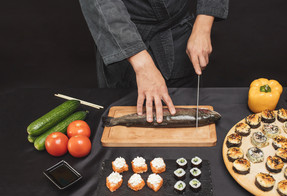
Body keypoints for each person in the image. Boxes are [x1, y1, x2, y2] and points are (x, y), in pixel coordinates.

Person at [79, 0, 229, 123]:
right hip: (122, 39)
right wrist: (141, 64)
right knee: (123, 131)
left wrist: (204, 23)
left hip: (178, 36)